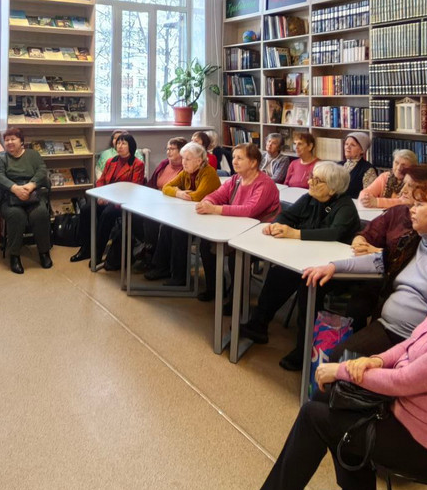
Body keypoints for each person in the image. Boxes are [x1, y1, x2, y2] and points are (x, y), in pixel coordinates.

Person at [231, 222, 427, 490]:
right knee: (328, 396)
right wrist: (375, 360)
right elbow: (411, 344)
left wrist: (344, 369)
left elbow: (405, 381)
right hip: (406, 409)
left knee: (316, 414)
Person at [303, 178, 427, 362]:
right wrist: (333, 266)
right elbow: (379, 261)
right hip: (386, 327)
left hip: (418, 341)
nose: (411, 210)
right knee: (340, 358)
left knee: (345, 364)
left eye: (419, 205)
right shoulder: (413, 240)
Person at [239, 161, 360, 370]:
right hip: (306, 258)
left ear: (332, 188)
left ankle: (304, 349)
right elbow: (287, 215)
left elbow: (334, 233)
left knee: (308, 285)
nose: (309, 182)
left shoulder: (346, 207)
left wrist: (295, 233)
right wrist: (276, 225)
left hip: (334, 268)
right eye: (311, 177)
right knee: (279, 274)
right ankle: (258, 325)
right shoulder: (309, 198)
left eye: (317, 180)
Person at [195, 143, 281, 302]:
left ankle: (237, 300)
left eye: (239, 158)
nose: (234, 161)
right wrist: (207, 202)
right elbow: (216, 195)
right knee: (206, 244)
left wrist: (215, 209)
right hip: (236, 228)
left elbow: (250, 210)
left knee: (237, 256)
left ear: (253, 162)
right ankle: (214, 288)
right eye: (234, 157)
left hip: (259, 233)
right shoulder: (235, 179)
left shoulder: (265, 184)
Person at [143, 142, 220, 285]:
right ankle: (163, 267)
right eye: (183, 158)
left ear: (199, 161)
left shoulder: (208, 173)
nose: (183, 162)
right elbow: (166, 187)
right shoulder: (186, 172)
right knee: (167, 227)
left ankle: (180, 276)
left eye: (188, 159)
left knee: (179, 232)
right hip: (190, 214)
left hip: (207, 218)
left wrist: (183, 194)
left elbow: (197, 196)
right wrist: (179, 193)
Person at [70, 132, 145, 267]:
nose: (120, 146)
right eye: (118, 143)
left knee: (107, 214)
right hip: (106, 197)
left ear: (131, 146)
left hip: (122, 202)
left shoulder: (137, 164)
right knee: (86, 209)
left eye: (124, 143)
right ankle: (86, 248)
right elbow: (101, 180)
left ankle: (98, 253)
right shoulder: (111, 161)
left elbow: (134, 188)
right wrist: (101, 195)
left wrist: (110, 199)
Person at [0, 127, 52, 275]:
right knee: (17, 216)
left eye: (13, 139)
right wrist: (15, 189)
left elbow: (42, 171)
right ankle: (14, 256)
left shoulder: (33, 155)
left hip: (32, 194)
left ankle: (44, 252)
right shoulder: (0, 158)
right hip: (8, 198)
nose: (9, 142)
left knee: (40, 214)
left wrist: (30, 186)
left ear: (21, 141)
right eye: (7, 140)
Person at [132, 136, 187, 270]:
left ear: (182, 151)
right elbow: (152, 184)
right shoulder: (164, 164)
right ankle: (147, 248)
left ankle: (152, 255)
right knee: (134, 215)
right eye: (167, 149)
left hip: (172, 206)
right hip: (156, 200)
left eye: (172, 149)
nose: (168, 152)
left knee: (151, 220)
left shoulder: (185, 170)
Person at [340, 131, 377, 199]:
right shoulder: (337, 165)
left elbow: (368, 197)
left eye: (352, 145)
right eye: (346, 144)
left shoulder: (368, 170)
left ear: (362, 150)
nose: (347, 147)